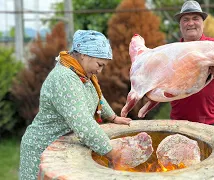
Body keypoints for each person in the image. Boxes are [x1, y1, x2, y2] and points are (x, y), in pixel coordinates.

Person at [19, 30, 133, 179]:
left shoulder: (82, 74)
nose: (100, 71)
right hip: (42, 149)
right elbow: (83, 123)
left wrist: (113, 117)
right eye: (99, 65)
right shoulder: (64, 78)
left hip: (59, 147)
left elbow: (96, 96)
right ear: (84, 54)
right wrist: (112, 154)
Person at [170, 0, 214, 126]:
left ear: (202, 23)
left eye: (195, 18)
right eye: (185, 19)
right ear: (180, 25)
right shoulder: (172, 52)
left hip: (208, 122)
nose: (190, 23)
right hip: (178, 122)